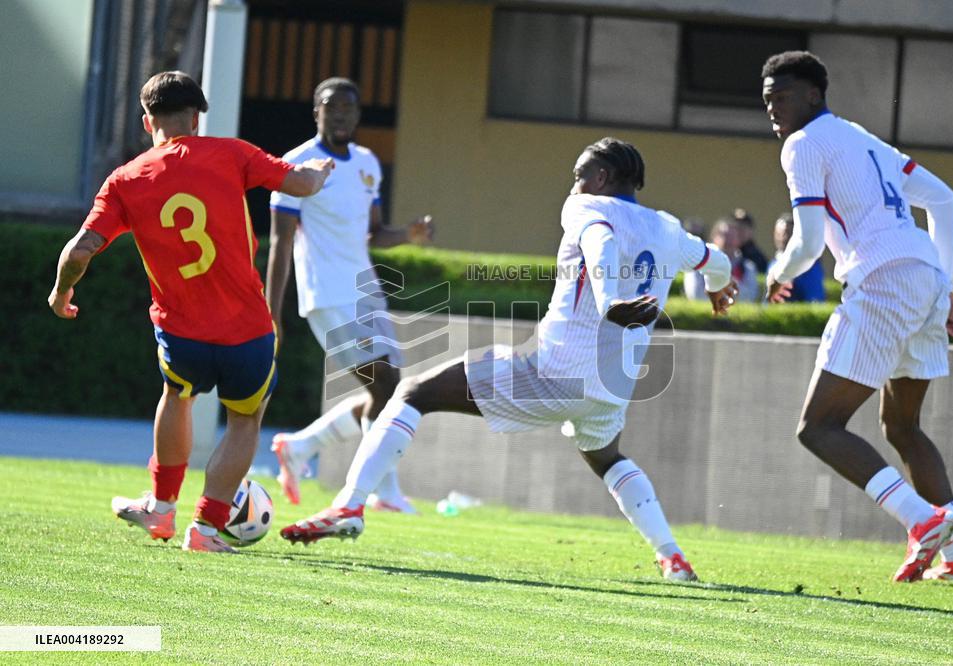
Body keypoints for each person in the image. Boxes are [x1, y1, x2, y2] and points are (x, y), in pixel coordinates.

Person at [279, 137, 738, 582]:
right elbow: (715, 261)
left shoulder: (585, 207)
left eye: (578, 176)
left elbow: (599, 242)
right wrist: (718, 286)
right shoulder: (667, 228)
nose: (572, 186)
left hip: (554, 372)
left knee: (414, 391)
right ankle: (671, 557)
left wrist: (610, 300)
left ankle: (350, 504)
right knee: (607, 458)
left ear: (600, 178)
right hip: (611, 388)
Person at [47, 71, 332, 553]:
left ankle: (160, 511)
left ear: (146, 122)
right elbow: (300, 184)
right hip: (246, 329)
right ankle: (206, 528)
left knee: (176, 397)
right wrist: (319, 173)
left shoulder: (125, 179)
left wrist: (59, 294)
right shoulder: (232, 153)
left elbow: (79, 252)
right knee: (245, 419)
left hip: (181, 332)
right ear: (197, 117)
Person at [762, 51, 953, 583]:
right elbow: (944, 199)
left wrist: (778, 270)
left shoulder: (803, 143)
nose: (772, 108)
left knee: (818, 427)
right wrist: (944, 284)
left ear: (815, 94)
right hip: (923, 278)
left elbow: (809, 242)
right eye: (766, 99)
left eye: (782, 95)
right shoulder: (861, 138)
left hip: (882, 281)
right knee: (902, 426)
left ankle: (922, 521)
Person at [267, 77, 433, 512]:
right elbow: (280, 243)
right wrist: (272, 314)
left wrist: (409, 235)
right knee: (390, 387)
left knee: (390, 391)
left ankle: (301, 447)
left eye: (349, 107)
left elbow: (375, 233)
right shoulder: (297, 164)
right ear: (316, 111)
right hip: (327, 294)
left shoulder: (366, 163)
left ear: (359, 115)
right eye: (331, 105)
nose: (340, 114)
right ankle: (382, 490)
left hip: (365, 291)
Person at [770, 213, 825, 302]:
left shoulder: (808, 265)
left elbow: (814, 298)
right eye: (779, 234)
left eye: (787, 233)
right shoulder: (773, 263)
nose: (782, 238)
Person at [730, 208, 769, 275]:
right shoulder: (726, 252)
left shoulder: (758, 258)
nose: (739, 231)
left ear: (751, 231)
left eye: (743, 227)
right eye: (736, 227)